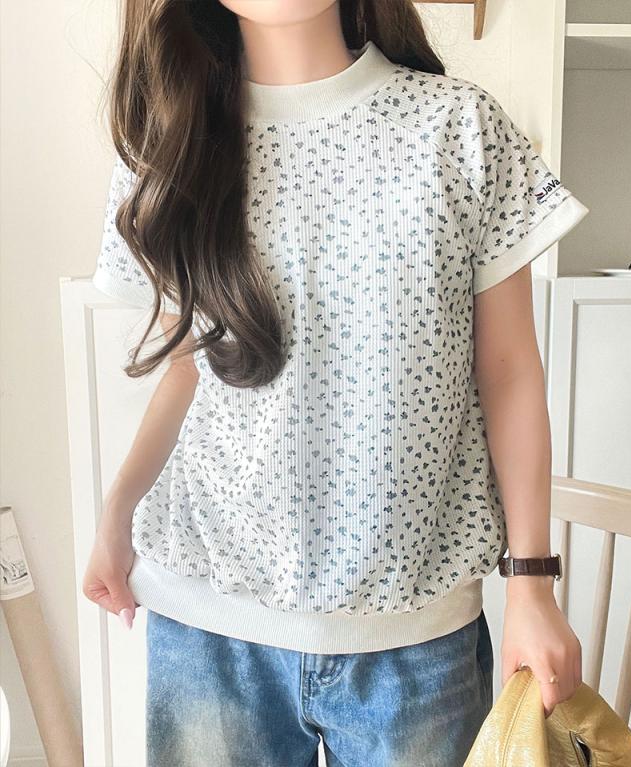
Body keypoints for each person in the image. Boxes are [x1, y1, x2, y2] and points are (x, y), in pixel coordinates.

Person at [83, 1, 589, 765]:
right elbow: (188, 370)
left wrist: (532, 583)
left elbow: (510, 373)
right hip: (209, 623)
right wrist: (116, 514)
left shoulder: (459, 130)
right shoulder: (171, 149)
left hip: (416, 635)